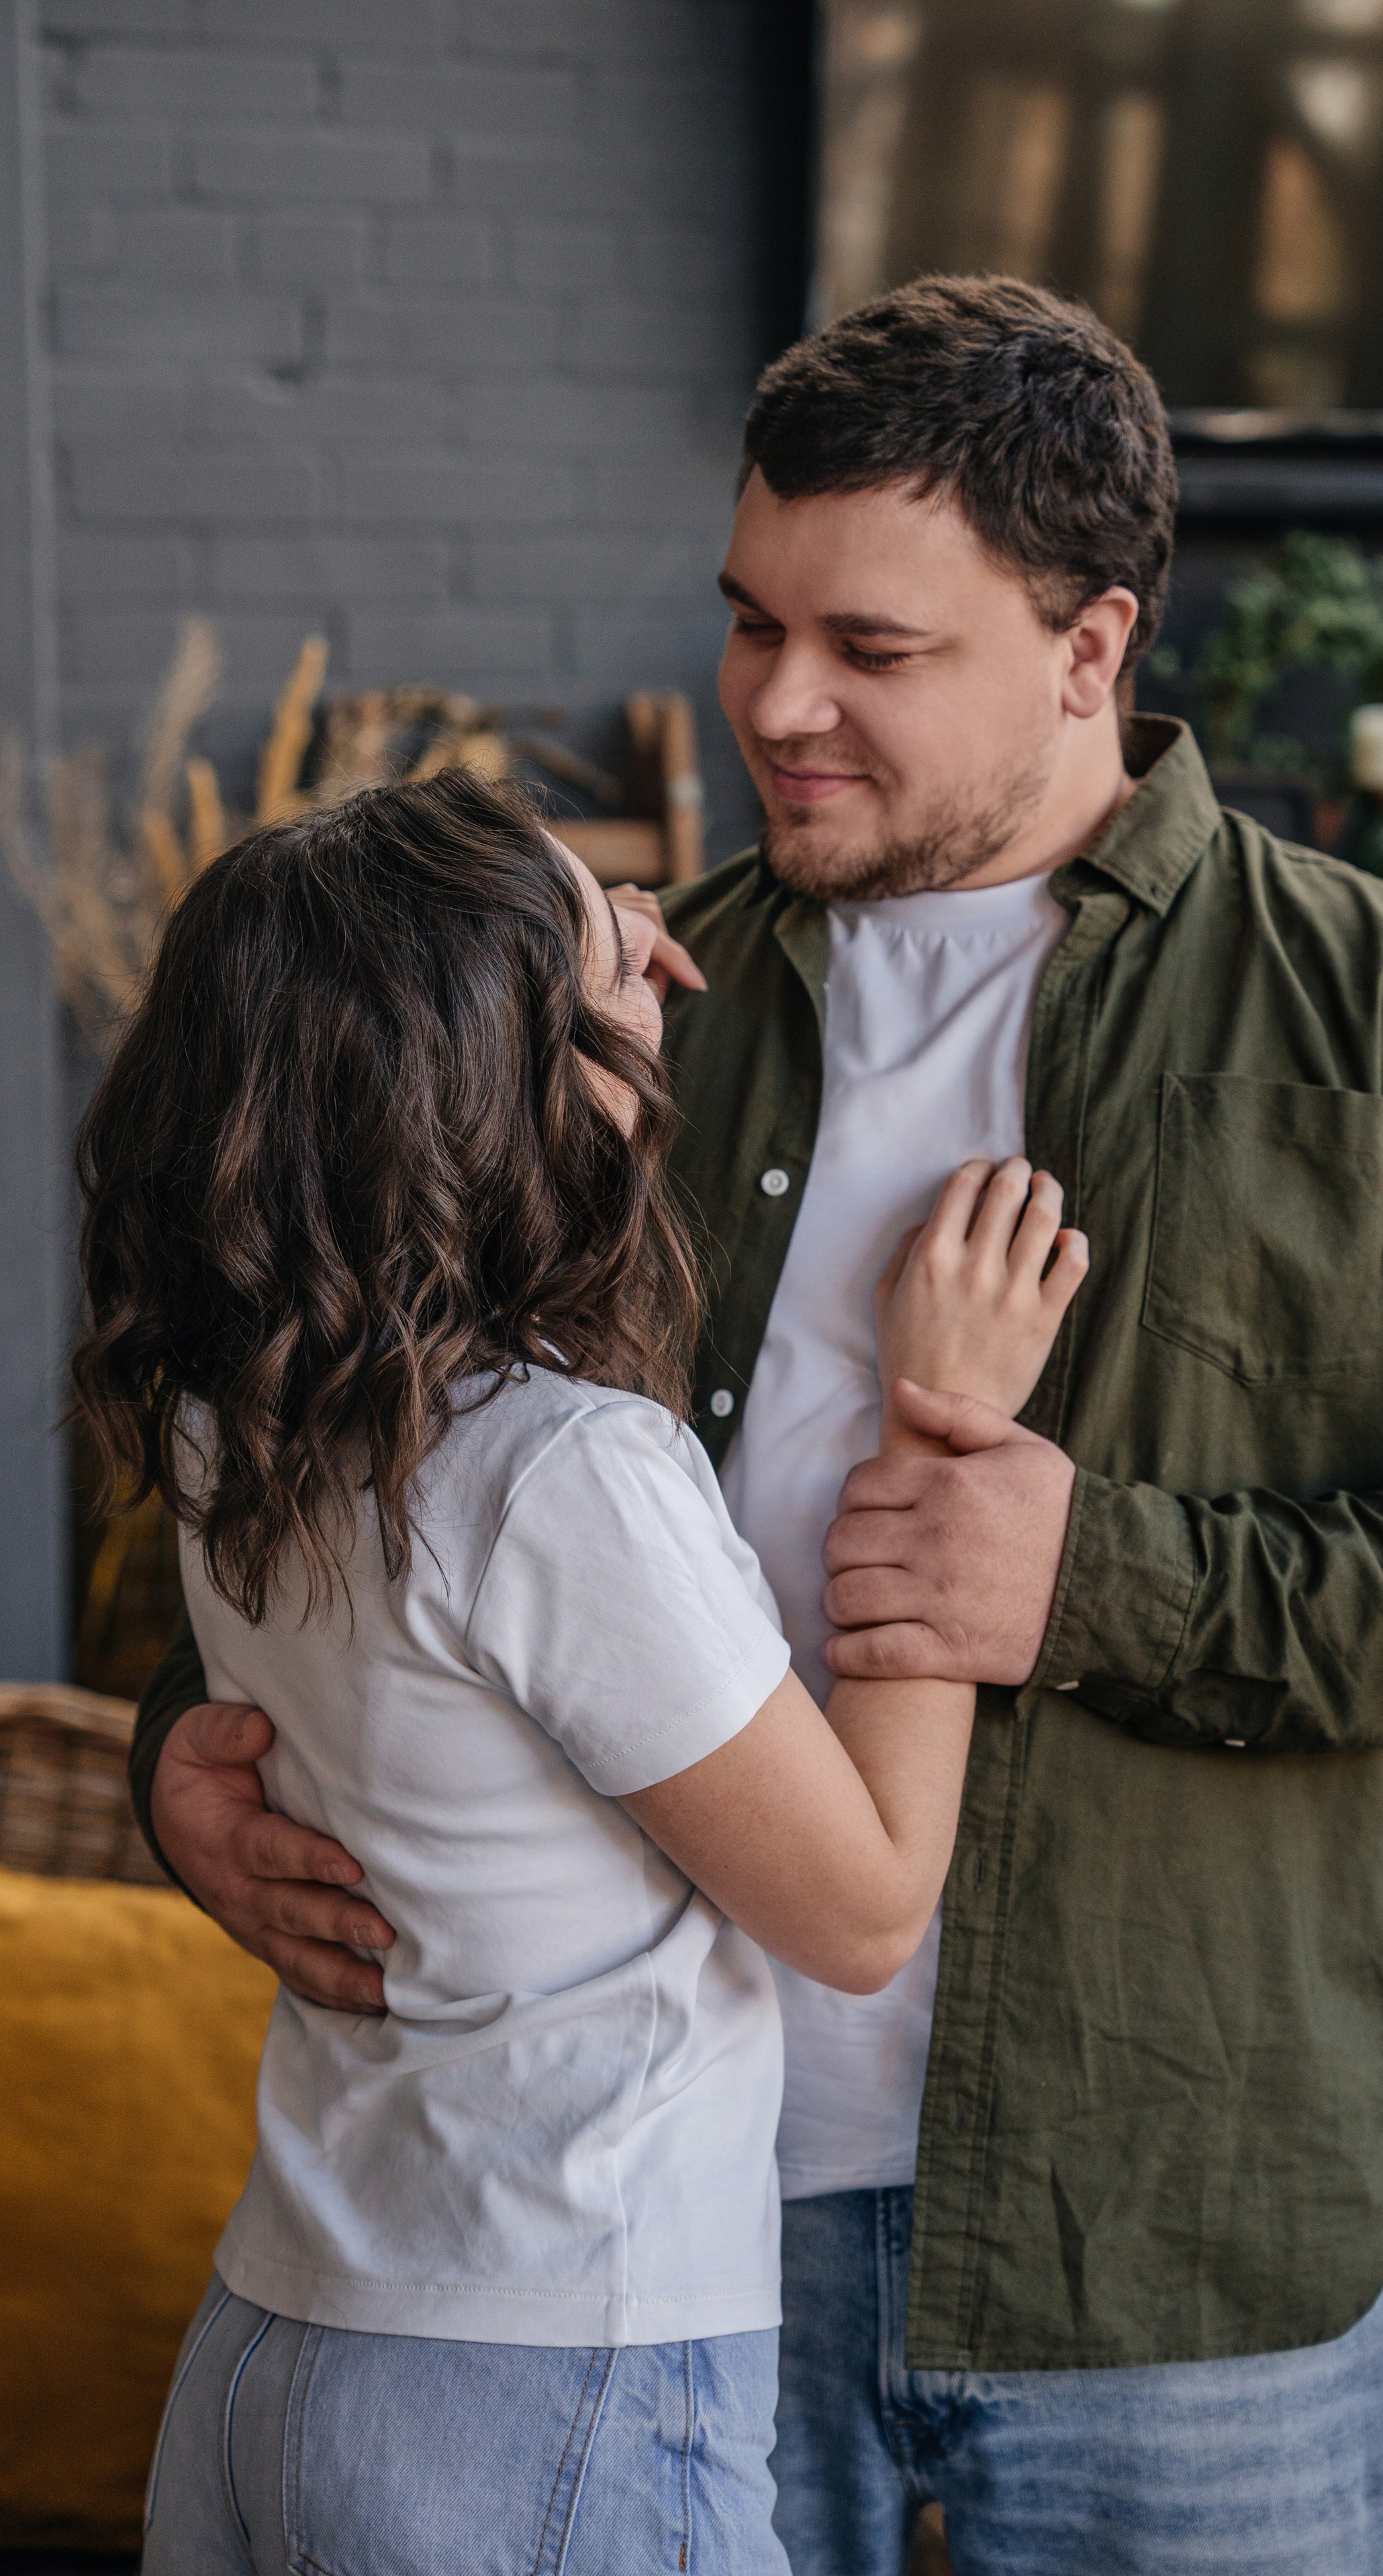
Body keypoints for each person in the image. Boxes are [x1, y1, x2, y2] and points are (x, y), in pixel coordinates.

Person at [130, 279, 1383, 2575]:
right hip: (659, 2255)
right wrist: (187, 1764)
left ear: (1087, 641)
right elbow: (349, 1427)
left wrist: (1100, 1580)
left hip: (1170, 2231)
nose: (776, 705)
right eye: (749, 624)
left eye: (872, 647)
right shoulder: (607, 1025)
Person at [74, 769, 1086, 2573]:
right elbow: (858, 1908)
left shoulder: (245, 1420)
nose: (658, 953)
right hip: (544, 2379)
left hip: (283, 2336)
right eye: (599, 941)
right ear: (504, 1072)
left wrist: (581, 999)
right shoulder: (556, 1471)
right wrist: (943, 1434)